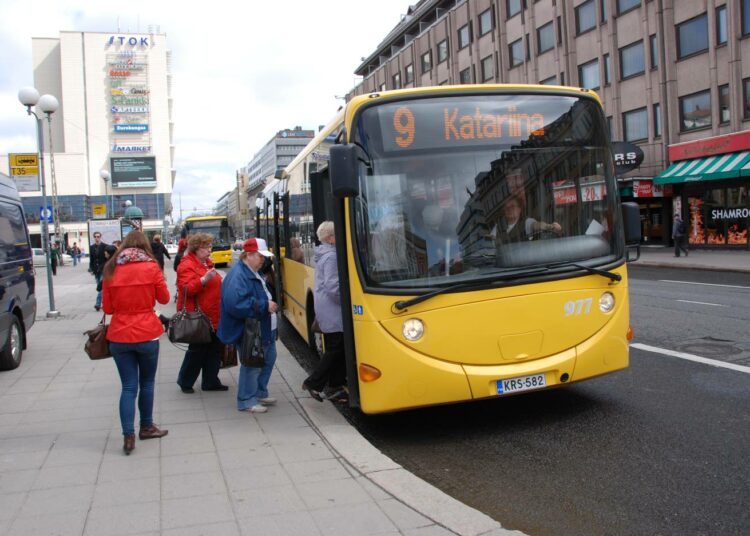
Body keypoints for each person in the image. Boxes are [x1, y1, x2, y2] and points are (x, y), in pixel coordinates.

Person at [101, 230, 170, 455]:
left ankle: (128, 436)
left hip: (119, 334)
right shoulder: (151, 267)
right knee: (147, 383)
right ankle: (147, 427)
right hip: (147, 332)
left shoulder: (111, 268)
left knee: (128, 387)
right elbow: (165, 299)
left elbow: (108, 309)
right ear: (145, 246)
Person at [218, 238, 279, 413]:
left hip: (260, 326)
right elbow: (235, 304)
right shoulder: (239, 275)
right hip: (250, 328)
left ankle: (259, 392)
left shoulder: (248, 271)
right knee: (252, 363)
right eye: (261, 257)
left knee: (267, 358)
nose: (263, 260)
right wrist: (264, 305)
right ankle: (246, 400)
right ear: (249, 255)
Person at [302, 221, 347, 404]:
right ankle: (313, 383)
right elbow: (332, 286)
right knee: (336, 348)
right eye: (337, 234)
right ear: (330, 238)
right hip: (333, 309)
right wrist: (346, 302)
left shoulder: (324, 253)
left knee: (336, 348)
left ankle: (336, 386)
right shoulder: (331, 257)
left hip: (327, 308)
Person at [175, 233, 227, 393]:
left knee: (214, 349)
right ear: (196, 248)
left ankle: (210, 381)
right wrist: (203, 280)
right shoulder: (186, 265)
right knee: (197, 351)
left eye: (210, 246)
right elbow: (185, 290)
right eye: (206, 247)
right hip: (198, 316)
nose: (210, 250)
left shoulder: (206, 263)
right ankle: (185, 381)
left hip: (212, 314)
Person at [491, 195, 561, 244]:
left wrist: (550, 226)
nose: (509, 210)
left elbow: (537, 225)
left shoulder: (527, 222)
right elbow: (490, 243)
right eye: (506, 208)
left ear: (519, 209)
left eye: (512, 207)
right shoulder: (497, 228)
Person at [90, 232, 109, 311]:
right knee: (99, 287)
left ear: (100, 237)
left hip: (103, 269)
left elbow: (107, 258)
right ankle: (104, 303)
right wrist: (91, 268)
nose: (97, 238)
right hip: (96, 269)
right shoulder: (92, 247)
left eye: (98, 236)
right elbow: (91, 259)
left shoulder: (105, 246)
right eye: (95, 237)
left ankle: (98, 304)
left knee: (101, 287)